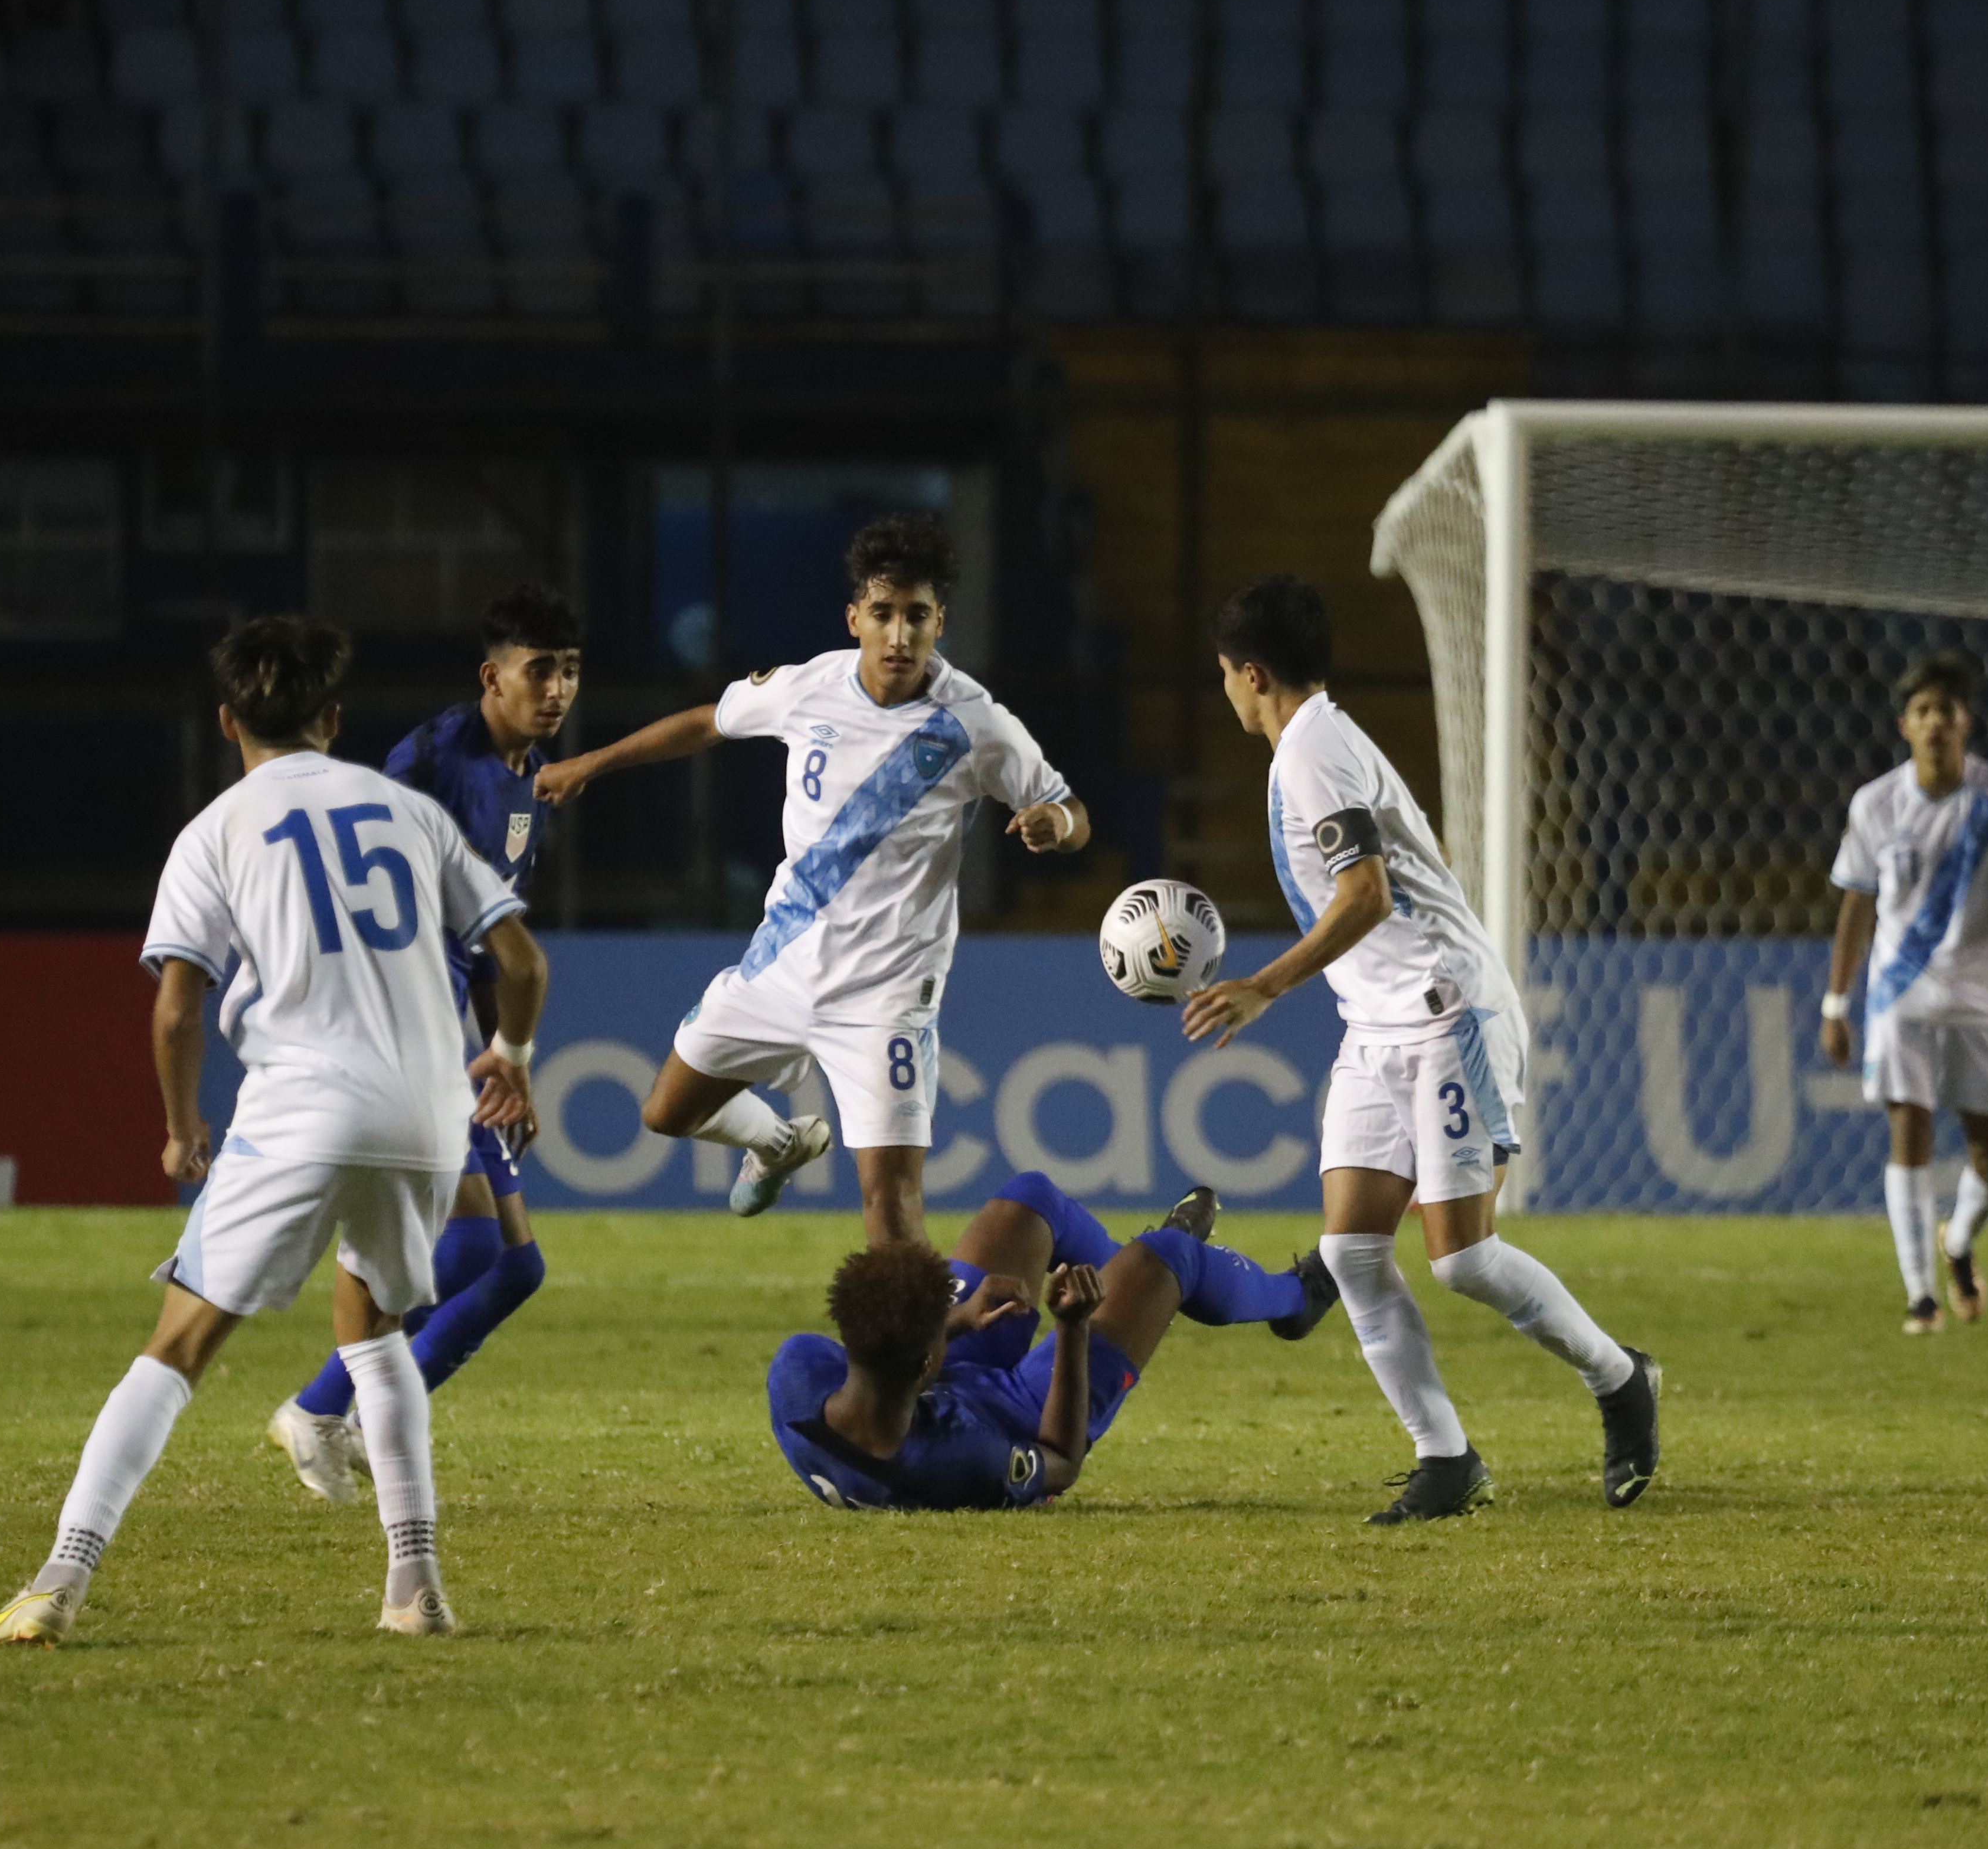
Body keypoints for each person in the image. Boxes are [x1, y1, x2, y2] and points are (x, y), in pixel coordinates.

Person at [0, 617, 542, 1648]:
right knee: (373, 1335)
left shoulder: (215, 831)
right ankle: (414, 1586)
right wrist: (509, 1053)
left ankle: (60, 1577)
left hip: (303, 1103)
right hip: (425, 1114)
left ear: (229, 719)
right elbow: (521, 957)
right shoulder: (409, 810)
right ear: (334, 718)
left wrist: (181, 1125)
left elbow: (178, 1007)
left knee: (179, 1345)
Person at [1180, 573, 1657, 1525]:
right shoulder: (1315, 745)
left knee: (1462, 1261)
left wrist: (1265, 985)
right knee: (1355, 1250)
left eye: (1227, 676)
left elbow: (1366, 896)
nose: (1226, 692)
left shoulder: (1313, 751)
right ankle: (1445, 1457)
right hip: (1378, 1025)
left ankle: (1621, 1378)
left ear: (1252, 673)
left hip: (1449, 1016)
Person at [533, 514, 1088, 1245]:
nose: (899, 636)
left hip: (886, 995)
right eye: (884, 615)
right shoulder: (808, 688)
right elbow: (708, 722)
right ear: (854, 617)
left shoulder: (977, 724)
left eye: (917, 617)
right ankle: (775, 1141)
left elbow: (1070, 808)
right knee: (666, 1112)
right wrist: (590, 763)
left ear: (939, 622)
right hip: (783, 965)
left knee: (890, 1207)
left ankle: (922, 1361)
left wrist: (1058, 825)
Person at [265, 584, 583, 1504]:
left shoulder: (531, 778)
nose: (555, 688)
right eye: (538, 671)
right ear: (493, 677)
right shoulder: (433, 761)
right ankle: (329, 1410)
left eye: (567, 672)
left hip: (454, 1021)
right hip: (406, 1015)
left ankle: (343, 1414)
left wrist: (504, 1062)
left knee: (516, 1265)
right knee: (476, 1244)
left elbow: (494, 943)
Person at [769, 1173, 1339, 1510]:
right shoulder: (960, 1461)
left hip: (933, 1386)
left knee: (1028, 1201)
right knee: (1171, 1258)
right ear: (922, 1359)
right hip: (1022, 1414)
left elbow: (893, 1361)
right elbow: (1062, 1462)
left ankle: (1131, 1278)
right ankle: (1298, 1298)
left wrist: (960, 1319)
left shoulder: (798, 1373)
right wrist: (1070, 1330)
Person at [1818, 652, 1988, 1333]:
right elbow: (1855, 910)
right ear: (1906, 725)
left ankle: (1956, 1242)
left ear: (1966, 723)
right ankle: (1920, 1296)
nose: (1935, 725)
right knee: (1911, 1129)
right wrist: (1836, 1005)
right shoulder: (1876, 803)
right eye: (1923, 713)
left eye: (1946, 713)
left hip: (1987, 991)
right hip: (1901, 989)